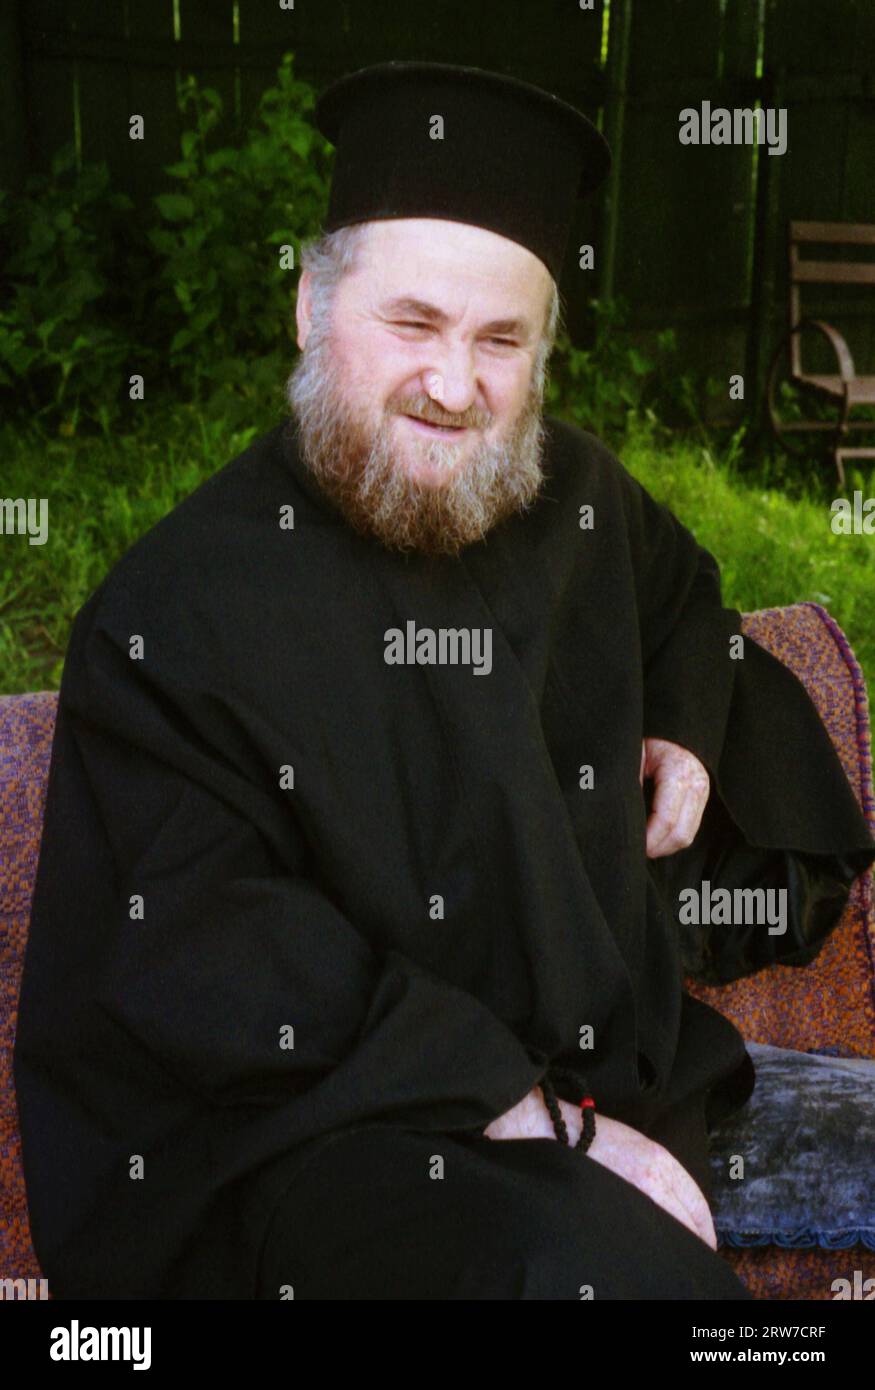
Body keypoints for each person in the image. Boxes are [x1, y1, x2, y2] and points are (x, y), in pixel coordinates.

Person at [14, 61, 875, 1301]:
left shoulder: (564, 492)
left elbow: (684, 589)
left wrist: (687, 729)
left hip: (608, 1074)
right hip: (321, 1142)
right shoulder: (172, 619)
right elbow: (219, 967)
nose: (456, 385)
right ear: (309, 307)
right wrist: (540, 1122)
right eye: (412, 325)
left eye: (500, 341)